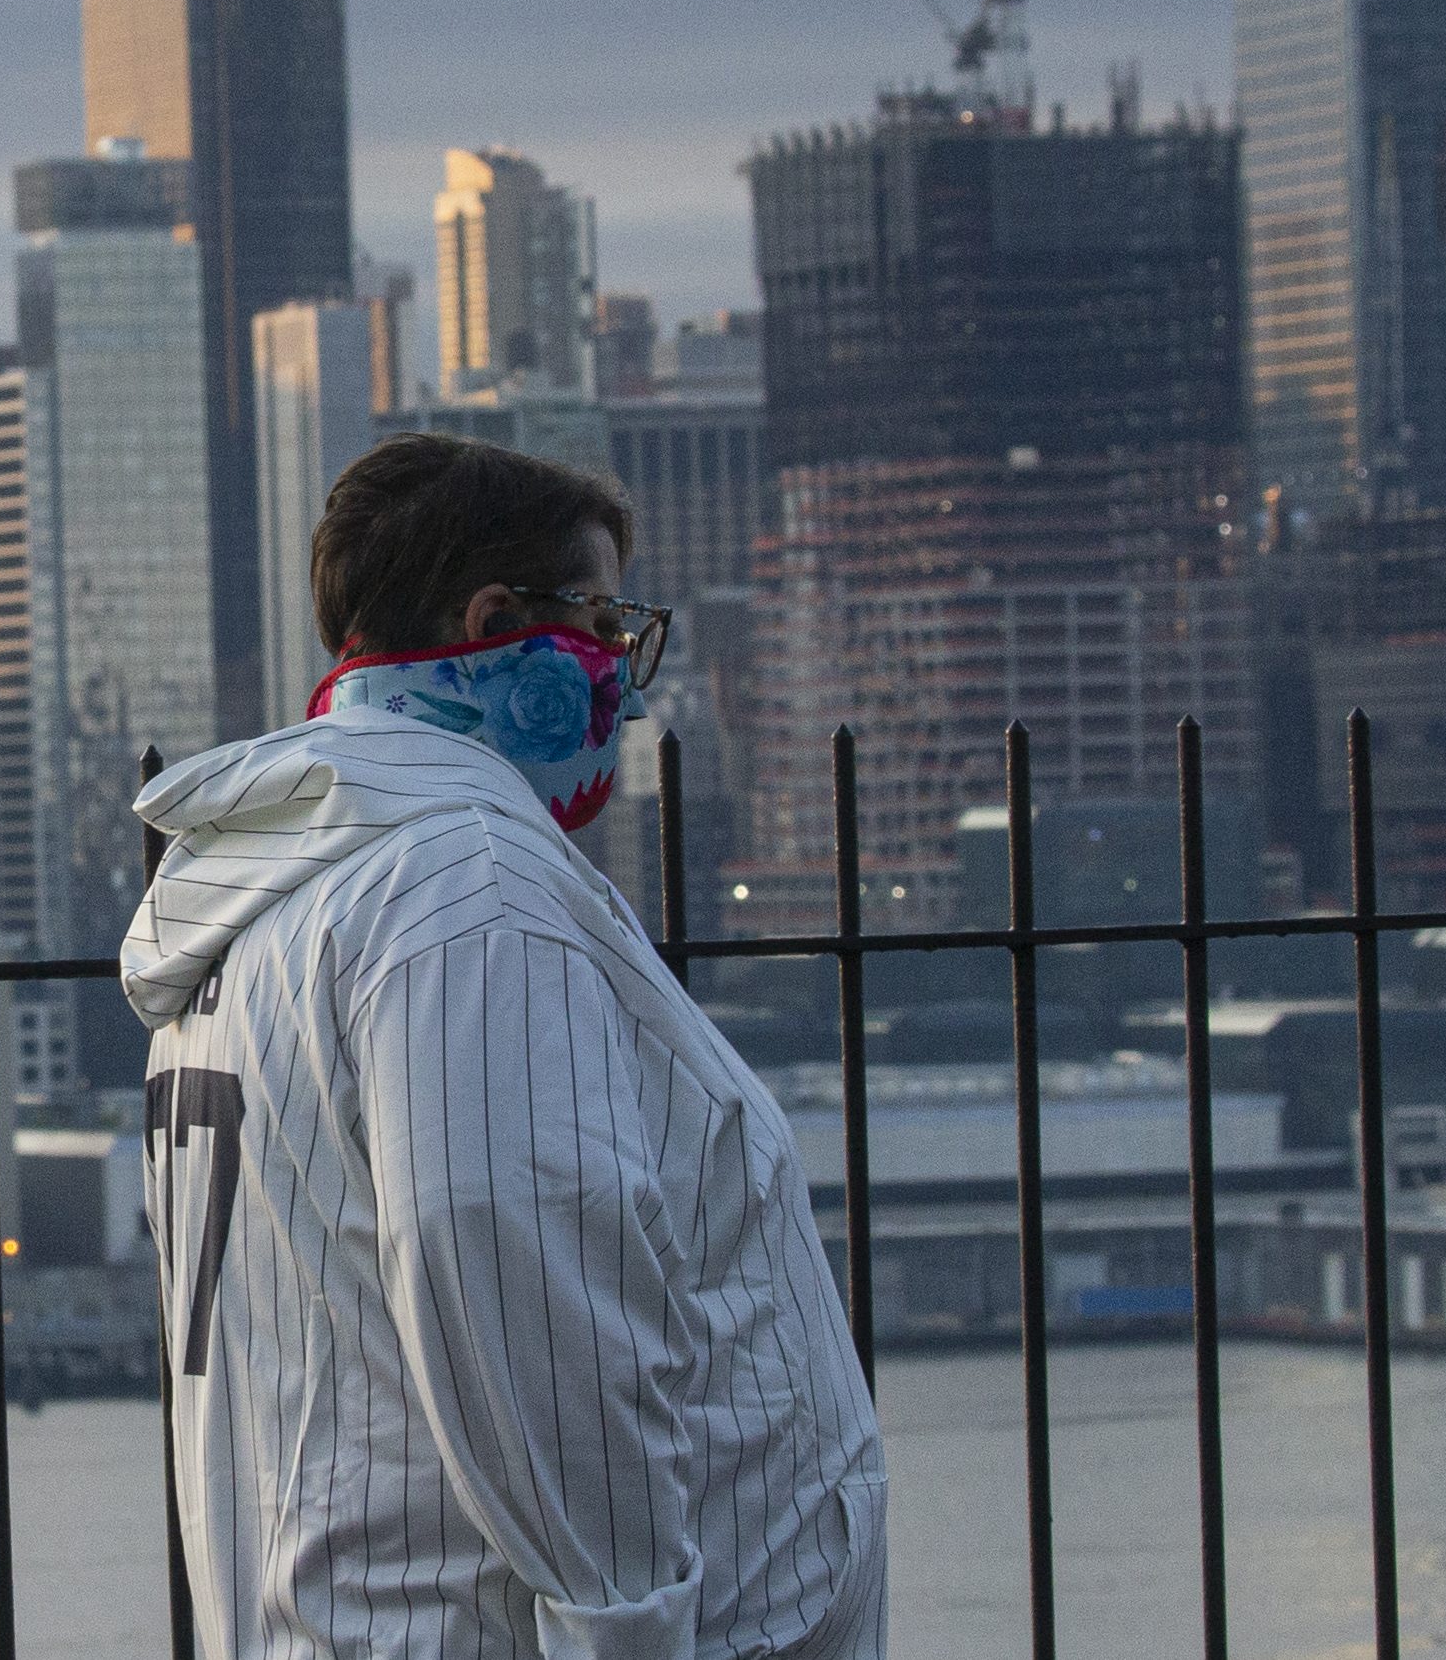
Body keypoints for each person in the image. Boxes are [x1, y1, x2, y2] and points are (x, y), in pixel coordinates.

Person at [123, 431, 885, 1658]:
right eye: (606, 628)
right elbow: (514, 1260)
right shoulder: (468, 891)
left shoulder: (262, 915)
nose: (625, 690)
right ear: (496, 621)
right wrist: (628, 1629)